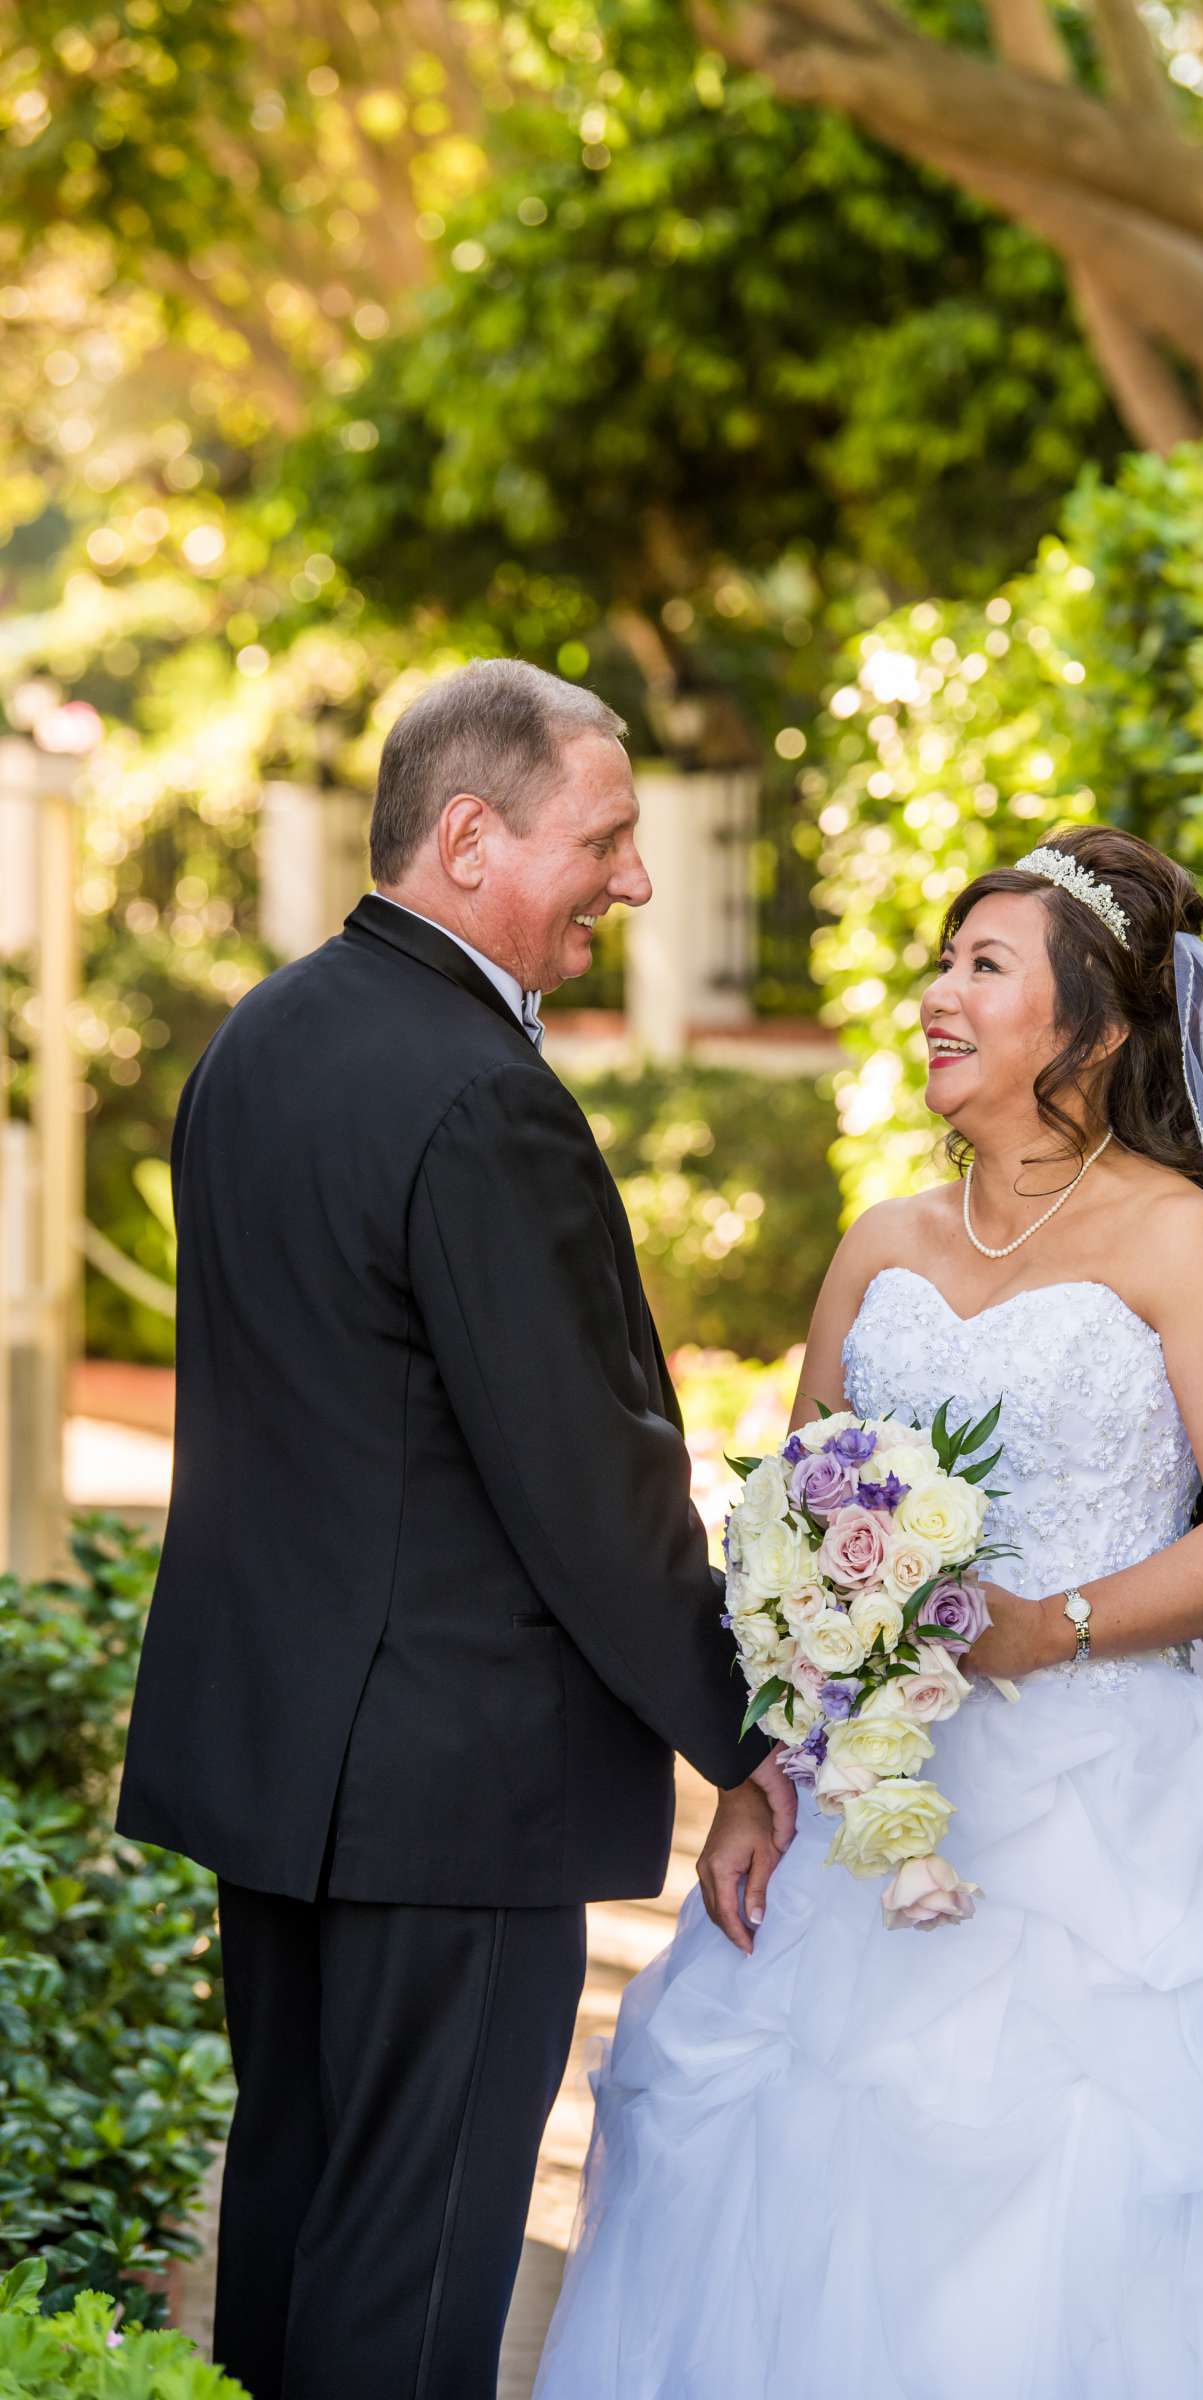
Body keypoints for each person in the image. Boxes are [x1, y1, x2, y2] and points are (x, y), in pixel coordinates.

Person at [533, 824, 1203, 2399]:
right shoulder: (879, 1245)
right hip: (871, 1806)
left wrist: (1053, 1624)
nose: (935, 994)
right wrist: (759, 1776)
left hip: (1110, 1817)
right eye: (938, 961)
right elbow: (794, 1535)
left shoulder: (1184, 1246)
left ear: (1096, 1031)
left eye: (983, 967)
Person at [115, 658, 792, 2400]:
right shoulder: (485, 1094)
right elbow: (588, 1481)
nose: (633, 882)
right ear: (472, 835)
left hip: (280, 1769)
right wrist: (745, 1733)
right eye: (608, 837)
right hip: (449, 1782)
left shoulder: (263, 1033)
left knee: (291, 2217)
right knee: (412, 2283)